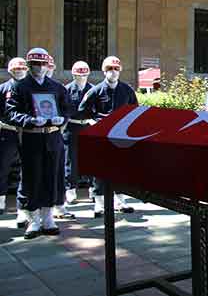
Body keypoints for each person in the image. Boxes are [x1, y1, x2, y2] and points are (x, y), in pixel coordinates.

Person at [6, 48, 70, 239]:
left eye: (43, 64)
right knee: (32, 177)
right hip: (31, 137)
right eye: (35, 64)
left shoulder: (57, 87)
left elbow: (68, 108)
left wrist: (62, 118)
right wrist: (29, 120)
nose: (40, 68)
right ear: (29, 65)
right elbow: (11, 112)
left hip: (52, 137)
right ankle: (33, 219)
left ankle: (48, 217)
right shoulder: (19, 87)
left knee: (53, 175)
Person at [78, 56, 137, 218]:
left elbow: (135, 111)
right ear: (104, 71)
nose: (113, 72)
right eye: (110, 69)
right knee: (100, 169)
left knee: (120, 169)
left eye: (116, 69)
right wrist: (91, 122)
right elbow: (83, 110)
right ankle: (99, 203)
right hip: (101, 136)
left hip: (120, 136)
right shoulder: (95, 91)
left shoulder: (127, 90)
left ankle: (120, 201)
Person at [62, 61, 94, 206]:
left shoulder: (93, 89)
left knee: (91, 159)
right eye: (79, 74)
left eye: (84, 74)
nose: (82, 77)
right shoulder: (66, 90)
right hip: (72, 127)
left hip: (88, 126)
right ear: (73, 74)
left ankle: (93, 190)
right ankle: (70, 190)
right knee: (71, 160)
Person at [0, 57, 27, 217]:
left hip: (28, 133)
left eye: (22, 69)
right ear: (10, 71)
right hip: (7, 132)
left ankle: (23, 207)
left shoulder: (30, 88)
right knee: (3, 167)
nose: (19, 72)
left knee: (27, 170)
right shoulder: (3, 89)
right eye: (16, 69)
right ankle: (1, 200)